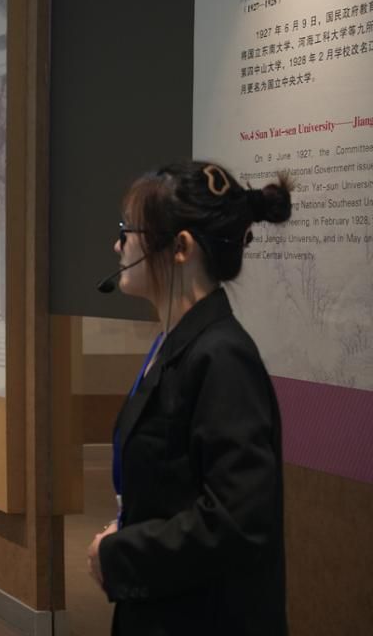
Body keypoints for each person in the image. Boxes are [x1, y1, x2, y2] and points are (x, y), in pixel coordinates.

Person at [87, 160, 291, 636]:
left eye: (128, 231)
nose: (118, 245)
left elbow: (237, 521)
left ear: (180, 247)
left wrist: (120, 554)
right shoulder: (179, 342)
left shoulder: (222, 357)